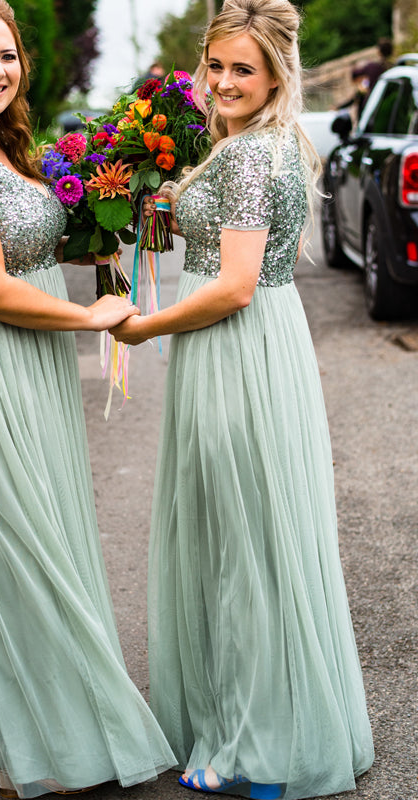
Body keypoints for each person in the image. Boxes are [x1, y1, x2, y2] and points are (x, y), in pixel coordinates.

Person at [0, 1, 176, 797]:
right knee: (10, 552)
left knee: (34, 538)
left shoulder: (4, 148)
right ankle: (35, 749)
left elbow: (38, 238)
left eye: (8, 57)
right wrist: (89, 318)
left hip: (25, 371)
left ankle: (43, 730)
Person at [111, 1, 374, 798]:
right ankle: (273, 723)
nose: (223, 82)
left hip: (236, 350)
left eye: (243, 70)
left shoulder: (250, 158)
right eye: (216, 66)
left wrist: (143, 325)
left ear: (275, 75)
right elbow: (227, 250)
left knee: (241, 545)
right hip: (256, 345)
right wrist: (160, 213)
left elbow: (230, 287)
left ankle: (255, 749)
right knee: (253, 534)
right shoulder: (251, 147)